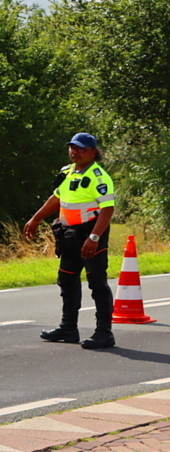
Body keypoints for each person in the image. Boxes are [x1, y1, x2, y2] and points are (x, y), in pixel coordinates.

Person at [23, 133, 117, 349]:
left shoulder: (98, 177)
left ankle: (104, 333)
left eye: (81, 149)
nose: (75, 152)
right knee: (66, 280)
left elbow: (107, 209)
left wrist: (94, 238)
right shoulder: (67, 172)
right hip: (69, 234)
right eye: (72, 148)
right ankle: (68, 328)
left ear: (93, 152)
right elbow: (56, 198)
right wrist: (36, 218)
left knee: (97, 284)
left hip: (90, 234)